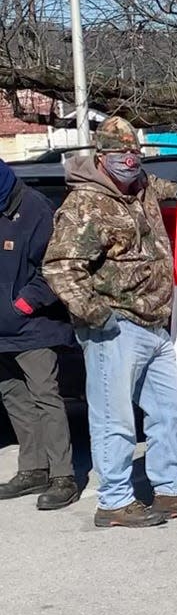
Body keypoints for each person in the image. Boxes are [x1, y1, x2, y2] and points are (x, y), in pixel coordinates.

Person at [43, 116, 177, 529]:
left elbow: (158, 186)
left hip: (154, 323)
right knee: (114, 420)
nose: (129, 160)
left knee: (171, 409)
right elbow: (60, 267)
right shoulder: (87, 204)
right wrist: (95, 313)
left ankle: (171, 489)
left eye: (134, 153)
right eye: (120, 154)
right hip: (113, 327)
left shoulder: (140, 187)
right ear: (101, 158)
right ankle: (115, 501)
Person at [0, 160, 79, 509]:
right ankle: (33, 469)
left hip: (35, 326)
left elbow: (55, 268)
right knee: (13, 396)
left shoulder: (35, 209)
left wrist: (23, 305)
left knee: (46, 396)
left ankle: (63, 475)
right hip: (3, 329)